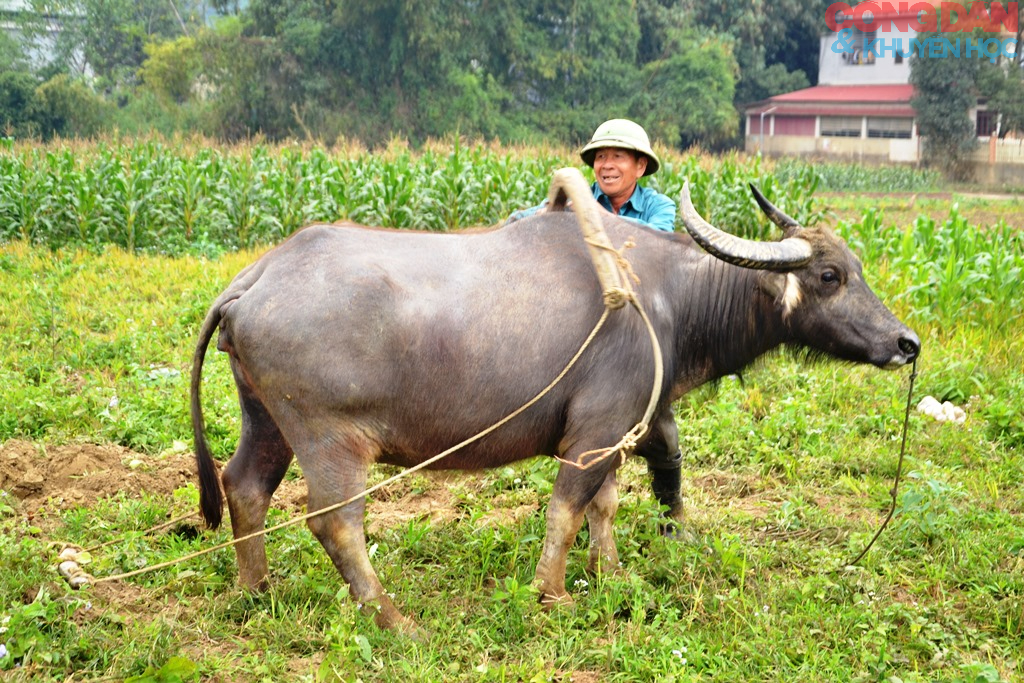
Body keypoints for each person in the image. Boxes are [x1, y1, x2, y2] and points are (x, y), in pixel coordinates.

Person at [508, 118, 676, 232]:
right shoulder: (575, 201)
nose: (607, 165)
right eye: (601, 157)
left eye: (618, 157)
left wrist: (600, 215)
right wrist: (545, 215)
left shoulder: (659, 206)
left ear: (640, 166)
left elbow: (660, 239)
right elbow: (515, 220)